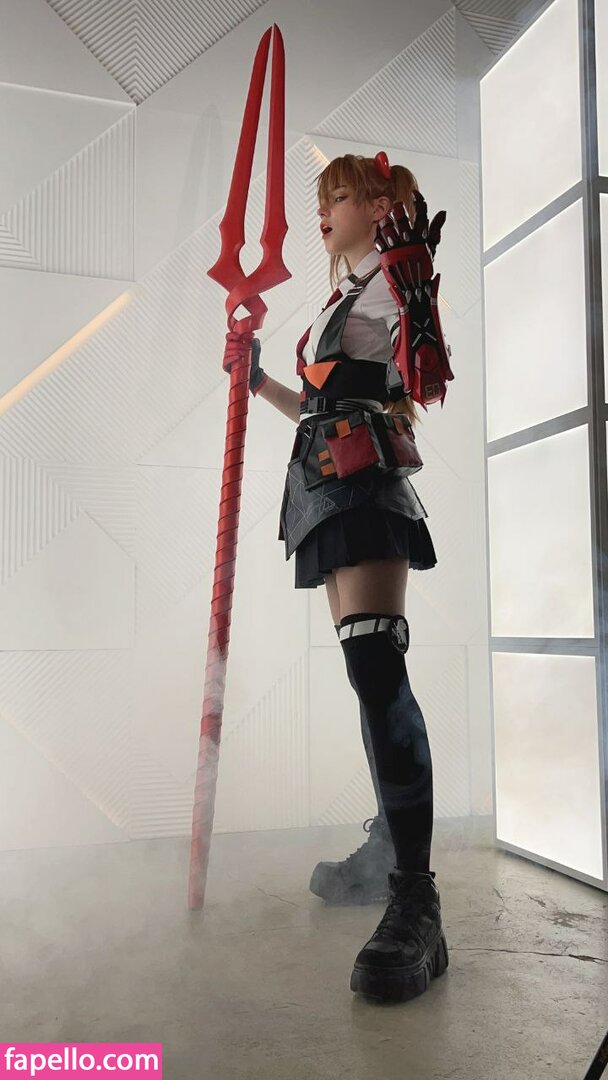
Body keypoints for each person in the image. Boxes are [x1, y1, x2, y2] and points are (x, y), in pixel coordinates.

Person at [223, 152, 451, 1003]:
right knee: (367, 675)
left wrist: (414, 271)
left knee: (377, 668)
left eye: (342, 195)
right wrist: (258, 381)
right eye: (325, 197)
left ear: (382, 205)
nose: (325, 209)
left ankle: (416, 900)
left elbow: (423, 368)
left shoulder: (392, 280)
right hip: (322, 484)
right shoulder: (344, 294)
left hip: (365, 481)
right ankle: (390, 848)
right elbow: (319, 406)